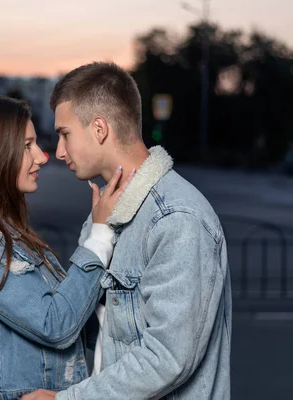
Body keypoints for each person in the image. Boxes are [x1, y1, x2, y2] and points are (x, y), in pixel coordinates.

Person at [22, 62, 231, 400]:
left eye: (64, 134)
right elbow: (98, 332)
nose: (58, 152)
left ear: (100, 129)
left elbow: (169, 358)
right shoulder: (103, 217)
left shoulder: (176, 218)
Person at [0, 95, 134, 400]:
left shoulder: (10, 235)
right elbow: (56, 324)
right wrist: (99, 235)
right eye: (26, 146)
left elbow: (78, 317)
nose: (42, 157)